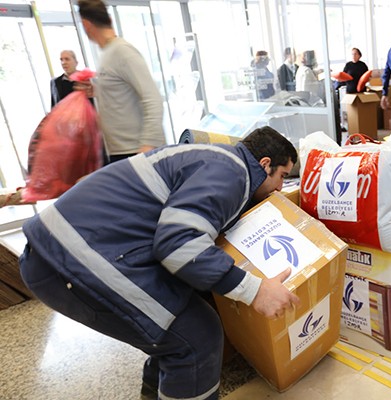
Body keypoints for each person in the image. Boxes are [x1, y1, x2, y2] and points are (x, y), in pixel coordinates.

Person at [19, 126, 301, 400]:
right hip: (71, 257)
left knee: (178, 326)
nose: (280, 188)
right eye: (282, 176)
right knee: (196, 338)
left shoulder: (216, 159)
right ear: (265, 164)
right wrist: (255, 290)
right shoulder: (231, 174)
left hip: (75, 247)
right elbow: (179, 245)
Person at [76, 0, 165, 164]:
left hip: (136, 151)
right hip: (121, 151)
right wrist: (98, 90)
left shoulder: (122, 52)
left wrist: (147, 147)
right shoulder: (107, 53)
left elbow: (153, 99)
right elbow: (122, 88)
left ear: (86, 24)